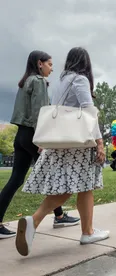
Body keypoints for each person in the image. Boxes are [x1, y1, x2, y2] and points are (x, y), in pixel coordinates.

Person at [15, 47, 109, 256]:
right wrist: (100, 142)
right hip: (79, 143)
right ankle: (37, 221)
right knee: (78, 186)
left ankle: (86, 231)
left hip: (61, 140)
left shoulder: (59, 81)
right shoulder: (80, 79)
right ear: (85, 63)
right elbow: (89, 111)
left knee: (79, 187)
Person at [0, 51, 80, 240]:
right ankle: (59, 216)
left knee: (16, 179)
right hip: (33, 135)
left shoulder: (24, 82)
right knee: (53, 175)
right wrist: (42, 139)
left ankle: (59, 215)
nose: (52, 69)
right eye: (50, 64)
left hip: (21, 135)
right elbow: (40, 113)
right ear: (39, 64)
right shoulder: (38, 81)